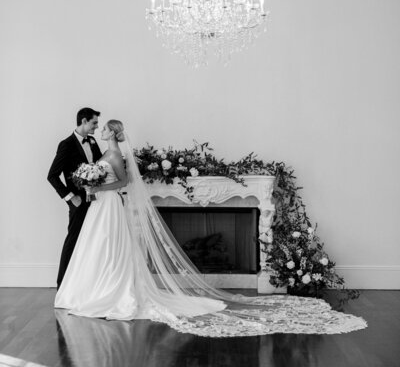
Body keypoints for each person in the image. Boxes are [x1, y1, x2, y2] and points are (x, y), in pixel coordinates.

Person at [55, 120, 368, 337]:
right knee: (98, 247)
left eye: (105, 126)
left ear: (114, 132)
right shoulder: (100, 153)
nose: (101, 128)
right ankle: (90, 289)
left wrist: (99, 186)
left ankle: (109, 292)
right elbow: (103, 177)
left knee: (110, 247)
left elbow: (124, 181)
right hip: (101, 207)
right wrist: (91, 183)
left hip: (108, 204)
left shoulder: (116, 155)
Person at [48, 107, 102, 288]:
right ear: (84, 121)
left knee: (94, 240)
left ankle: (87, 283)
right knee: (73, 240)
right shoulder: (66, 144)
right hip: (78, 202)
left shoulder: (93, 141)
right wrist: (71, 197)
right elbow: (52, 176)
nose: (97, 126)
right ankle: (62, 285)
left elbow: (101, 165)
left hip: (96, 200)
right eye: (94, 122)